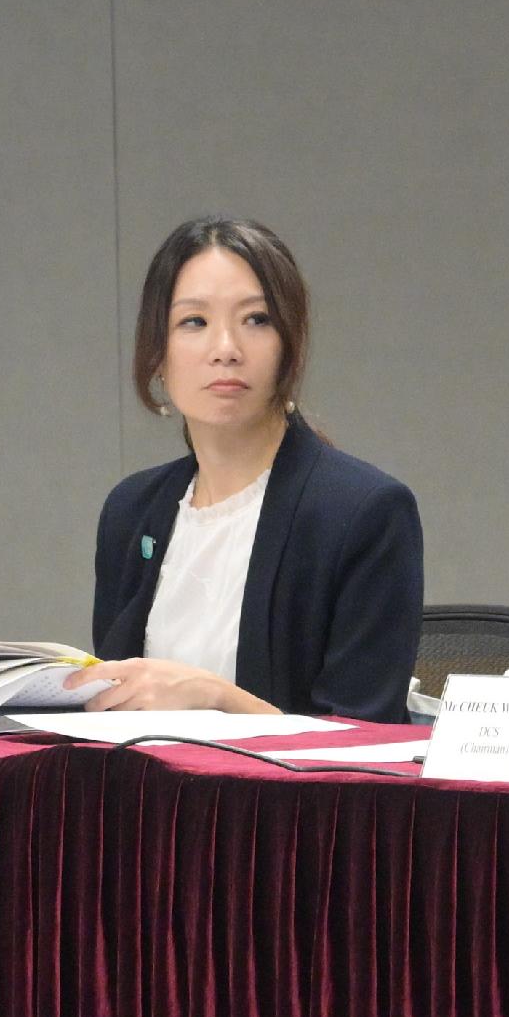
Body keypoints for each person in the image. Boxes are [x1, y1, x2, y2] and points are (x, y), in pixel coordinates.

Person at [75, 218, 423, 723]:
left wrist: (216, 697)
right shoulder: (131, 512)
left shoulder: (363, 512)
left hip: (292, 803)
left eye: (256, 319)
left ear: (290, 345)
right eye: (193, 322)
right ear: (158, 356)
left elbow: (364, 743)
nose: (226, 349)